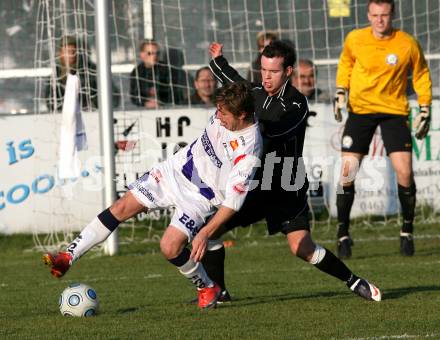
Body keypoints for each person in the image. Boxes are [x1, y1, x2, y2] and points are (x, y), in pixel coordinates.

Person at [189, 40, 382, 304]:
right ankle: (218, 292)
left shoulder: (296, 104)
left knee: (301, 247)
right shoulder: (255, 92)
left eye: (274, 71)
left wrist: (245, 121)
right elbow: (235, 81)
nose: (266, 77)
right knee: (209, 229)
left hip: (285, 184)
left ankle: (353, 281)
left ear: (288, 71)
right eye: (263, 70)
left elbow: (273, 131)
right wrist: (217, 61)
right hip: (257, 183)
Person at [42, 82, 262, 310]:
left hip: (200, 197)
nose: (218, 116)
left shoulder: (249, 150)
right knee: (121, 207)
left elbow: (233, 203)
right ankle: (67, 256)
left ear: (242, 114)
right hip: (175, 171)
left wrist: (205, 232)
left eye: (223, 113)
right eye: (218, 110)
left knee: (169, 247)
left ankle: (206, 287)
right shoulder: (227, 110)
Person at [333, 0, 432, 258]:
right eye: (375, 15)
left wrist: (424, 107)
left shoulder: (407, 43)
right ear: (368, 15)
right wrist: (341, 90)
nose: (379, 20)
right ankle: (343, 233)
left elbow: (421, 74)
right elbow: (345, 64)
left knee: (405, 172)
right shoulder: (355, 39)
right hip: (360, 111)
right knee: (347, 172)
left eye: (384, 15)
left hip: (393, 112)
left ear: (392, 15)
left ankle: (407, 232)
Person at [45, 36, 120, 112]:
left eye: (73, 51)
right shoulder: (56, 74)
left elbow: (112, 96)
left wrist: (93, 105)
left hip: (91, 115)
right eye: (67, 51)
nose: (71, 54)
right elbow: (50, 100)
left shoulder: (91, 70)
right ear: (61, 53)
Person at [129, 40, 172, 109]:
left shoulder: (165, 69)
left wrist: (160, 99)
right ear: (142, 55)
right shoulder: (137, 72)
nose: (154, 56)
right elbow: (134, 96)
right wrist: (145, 103)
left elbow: (173, 92)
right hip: (144, 110)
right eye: (150, 53)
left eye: (157, 53)